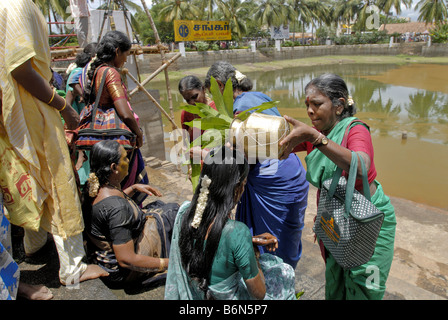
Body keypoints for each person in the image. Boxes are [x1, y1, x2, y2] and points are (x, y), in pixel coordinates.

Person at [0, 0, 108, 286]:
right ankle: (72, 267)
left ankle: (34, 245)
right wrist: (62, 106)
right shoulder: (17, 5)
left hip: (13, 112)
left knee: (32, 179)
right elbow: (20, 68)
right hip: (31, 110)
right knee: (59, 181)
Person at [279, 73, 397, 300]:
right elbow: (278, 144)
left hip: (368, 221)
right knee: (336, 283)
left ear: (339, 105)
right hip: (335, 218)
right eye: (307, 105)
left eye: (317, 104)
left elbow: (361, 166)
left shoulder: (355, 129)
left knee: (364, 288)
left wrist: (315, 139)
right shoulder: (320, 132)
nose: (310, 111)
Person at [203, 61, 309, 269]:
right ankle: (286, 275)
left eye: (212, 93)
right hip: (292, 172)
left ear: (219, 86)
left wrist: (211, 157)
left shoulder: (240, 110)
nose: (213, 99)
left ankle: (273, 278)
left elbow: (244, 158)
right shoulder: (259, 97)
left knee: (270, 241)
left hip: (271, 181)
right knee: (289, 234)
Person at [165, 146, 296, 300]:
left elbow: (209, 239)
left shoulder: (185, 212)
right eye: (244, 184)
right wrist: (253, 254)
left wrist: (249, 241)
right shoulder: (237, 232)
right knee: (284, 271)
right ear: (237, 189)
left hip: (197, 293)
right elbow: (259, 294)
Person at [83, 140, 177, 288]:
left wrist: (133, 188)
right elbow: (126, 259)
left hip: (103, 255)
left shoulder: (94, 187)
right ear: (114, 167)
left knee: (159, 206)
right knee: (172, 213)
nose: (128, 160)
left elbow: (106, 214)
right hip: (122, 272)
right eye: (125, 158)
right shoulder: (117, 208)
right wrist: (169, 263)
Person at [82, 30, 148, 206]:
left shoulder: (97, 71)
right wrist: (138, 133)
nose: (126, 60)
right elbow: (124, 112)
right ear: (117, 51)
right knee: (127, 180)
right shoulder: (111, 73)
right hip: (117, 140)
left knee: (108, 183)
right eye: (125, 55)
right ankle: (126, 214)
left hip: (104, 141)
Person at [65, 43, 97, 188]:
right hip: (80, 124)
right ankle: (85, 186)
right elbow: (70, 98)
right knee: (84, 160)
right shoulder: (79, 73)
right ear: (92, 58)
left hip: (82, 123)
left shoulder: (79, 72)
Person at [178, 75, 217, 143]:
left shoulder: (217, 108)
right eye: (188, 100)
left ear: (203, 89)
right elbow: (186, 142)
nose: (192, 102)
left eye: (194, 97)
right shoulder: (186, 113)